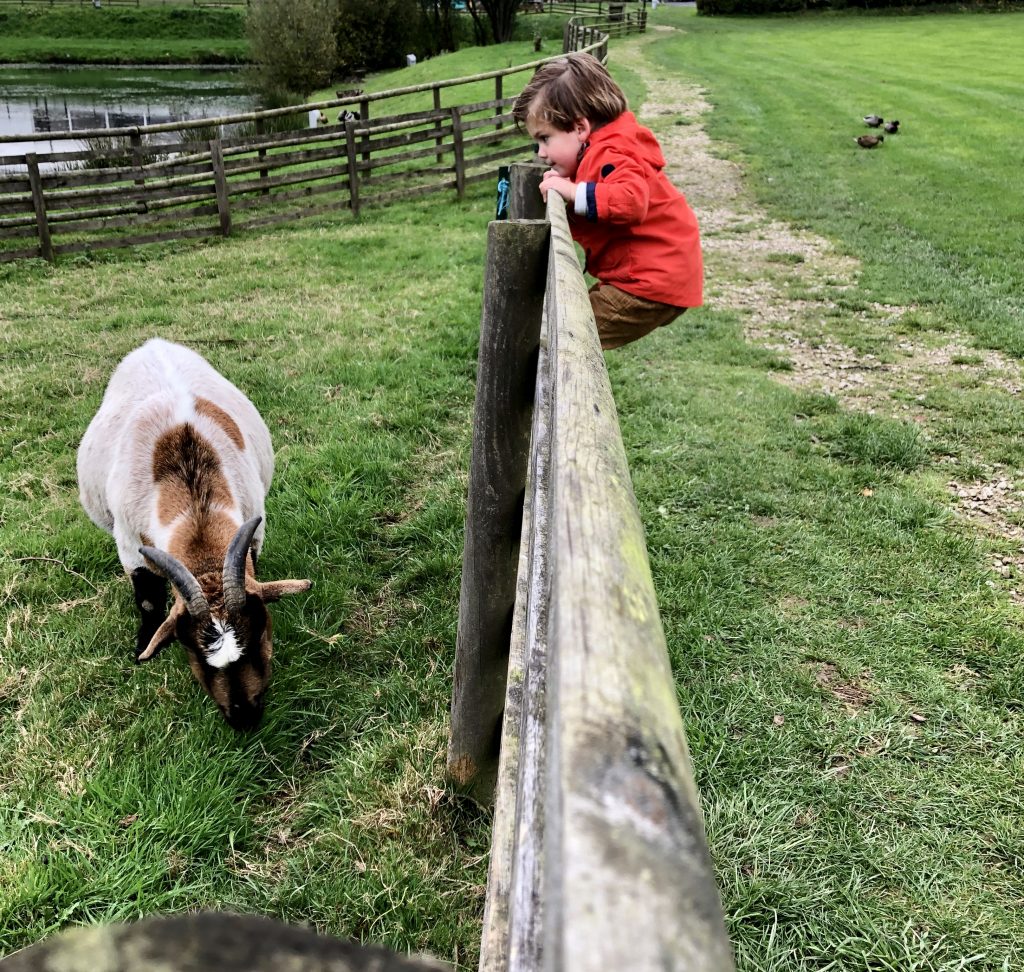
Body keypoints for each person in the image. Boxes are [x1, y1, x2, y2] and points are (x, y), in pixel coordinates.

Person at [512, 52, 702, 350]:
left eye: (545, 138)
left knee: (564, 341)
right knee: (562, 330)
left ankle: (544, 394)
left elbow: (631, 200)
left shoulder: (612, 152)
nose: (541, 154)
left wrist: (572, 192)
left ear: (579, 128)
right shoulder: (603, 148)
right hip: (646, 276)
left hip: (648, 282)